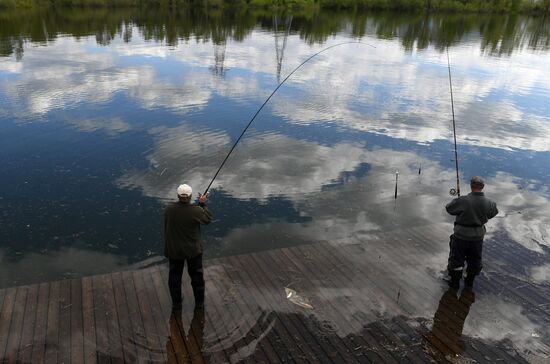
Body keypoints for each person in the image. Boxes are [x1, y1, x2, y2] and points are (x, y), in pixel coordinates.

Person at [164, 184, 213, 310]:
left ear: (178, 196)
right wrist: (202, 204)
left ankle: (176, 304)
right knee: (197, 276)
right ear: (190, 196)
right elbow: (207, 219)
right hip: (193, 251)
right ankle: (199, 304)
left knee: (174, 276)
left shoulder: (169, 209)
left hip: (174, 250)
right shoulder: (195, 210)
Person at [445, 176, 498, 289]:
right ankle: (469, 282)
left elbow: (449, 209)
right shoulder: (490, 203)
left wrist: (457, 200)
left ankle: (454, 283)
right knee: (475, 259)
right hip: (478, 237)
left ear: (471, 186)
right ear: (482, 187)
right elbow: (494, 212)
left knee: (456, 258)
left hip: (461, 236)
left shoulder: (463, 200)